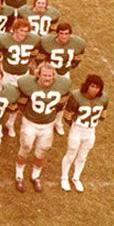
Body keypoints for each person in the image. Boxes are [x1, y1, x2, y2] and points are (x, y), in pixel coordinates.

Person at [14, 63, 71, 193]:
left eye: (50, 76)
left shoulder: (61, 86)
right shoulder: (28, 85)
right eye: (44, 75)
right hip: (30, 122)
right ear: (38, 75)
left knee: (42, 151)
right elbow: (21, 105)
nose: (47, 78)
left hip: (47, 125)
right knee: (25, 148)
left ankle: (35, 176)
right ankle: (19, 175)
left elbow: (61, 105)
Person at [60, 74, 108, 193]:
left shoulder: (103, 98)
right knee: (71, 153)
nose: (94, 89)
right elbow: (68, 115)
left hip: (91, 130)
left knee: (83, 155)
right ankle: (64, 177)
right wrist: (74, 125)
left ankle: (76, 177)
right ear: (87, 86)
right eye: (92, 86)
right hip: (77, 129)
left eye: (97, 87)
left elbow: (103, 114)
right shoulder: (77, 96)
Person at [37, 23, 87, 135]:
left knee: (63, 100)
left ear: (70, 34)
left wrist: (69, 67)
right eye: (61, 33)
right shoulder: (47, 43)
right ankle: (41, 116)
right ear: (57, 33)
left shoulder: (77, 44)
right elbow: (40, 59)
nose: (64, 36)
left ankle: (58, 122)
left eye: (66, 34)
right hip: (49, 74)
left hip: (63, 74)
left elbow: (78, 59)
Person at [0, 18, 41, 136]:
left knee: (18, 99)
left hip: (22, 74)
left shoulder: (33, 40)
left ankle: (10, 123)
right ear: (14, 30)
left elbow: (32, 56)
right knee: (2, 98)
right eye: (21, 30)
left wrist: (27, 65)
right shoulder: (4, 40)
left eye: (26, 31)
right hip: (7, 73)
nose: (23, 34)